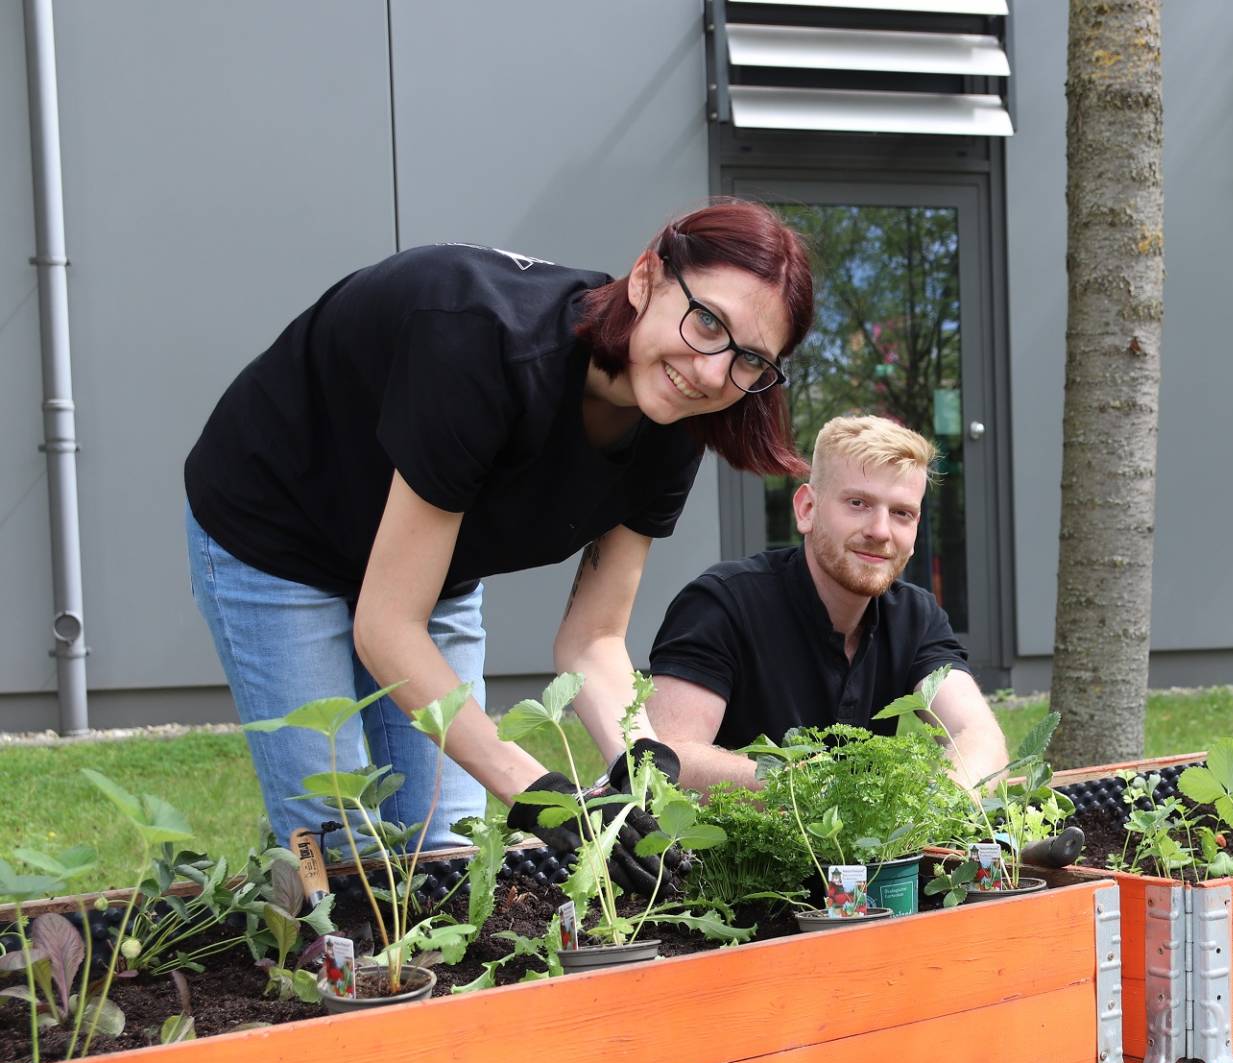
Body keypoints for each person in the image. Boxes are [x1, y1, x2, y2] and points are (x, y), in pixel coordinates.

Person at [183, 199, 815, 883]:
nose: (714, 374)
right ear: (646, 277)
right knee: (333, 847)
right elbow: (387, 627)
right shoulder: (485, 345)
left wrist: (641, 758)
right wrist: (543, 801)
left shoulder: (678, 421)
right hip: (278, 529)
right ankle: (297, 899)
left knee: (448, 846)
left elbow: (594, 637)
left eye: (750, 359)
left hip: (431, 568)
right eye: (707, 323)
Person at [646, 414, 1008, 791]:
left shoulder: (915, 618)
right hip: (720, 847)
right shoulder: (722, 604)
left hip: (868, 851)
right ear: (806, 509)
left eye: (902, 513)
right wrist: (809, 793)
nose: (880, 531)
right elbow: (666, 757)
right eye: (857, 503)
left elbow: (978, 734)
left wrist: (936, 804)